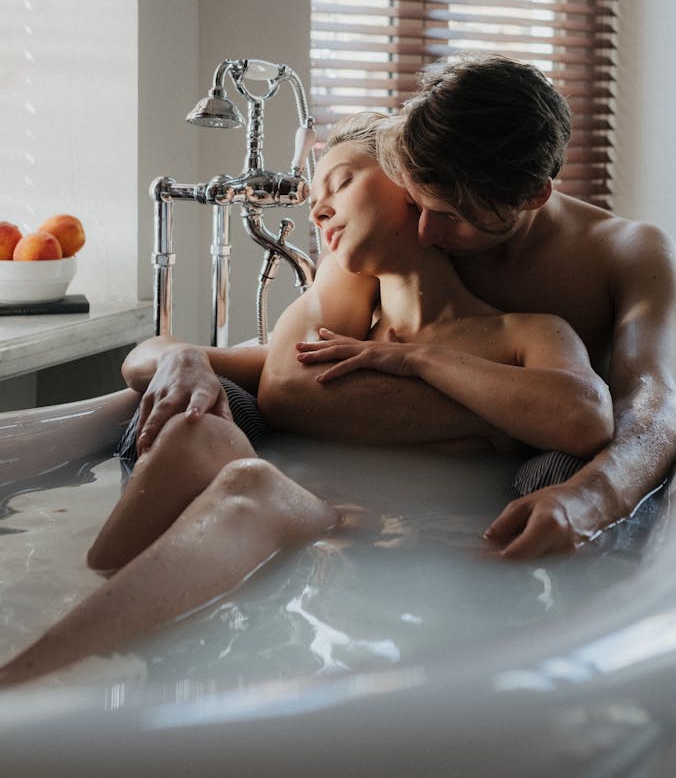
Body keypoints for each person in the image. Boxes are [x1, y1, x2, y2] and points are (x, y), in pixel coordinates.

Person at [0, 113, 611, 686]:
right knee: (198, 434)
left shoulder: (525, 333)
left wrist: (420, 359)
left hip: (410, 549)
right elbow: (145, 359)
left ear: (415, 186)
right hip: (298, 535)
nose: (318, 207)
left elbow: (585, 414)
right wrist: (186, 357)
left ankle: (30, 687)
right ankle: (57, 637)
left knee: (252, 485)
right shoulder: (337, 344)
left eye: (341, 182)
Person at [121, 52, 676, 557]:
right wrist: (514, 421)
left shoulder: (626, 254)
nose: (423, 228)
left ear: (534, 195)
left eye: (451, 216)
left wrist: (593, 498)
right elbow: (290, 382)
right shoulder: (388, 235)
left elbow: (649, 404)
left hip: (498, 499)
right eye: (414, 199)